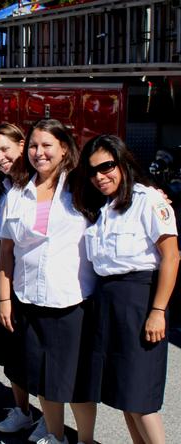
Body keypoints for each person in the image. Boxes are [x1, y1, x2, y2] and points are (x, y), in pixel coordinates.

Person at [73, 135, 179, 444]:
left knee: (142, 397)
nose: (100, 176)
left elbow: (172, 256)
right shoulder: (103, 207)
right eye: (92, 171)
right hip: (108, 302)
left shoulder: (148, 200)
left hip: (140, 299)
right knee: (125, 395)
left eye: (107, 167)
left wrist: (158, 311)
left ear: (123, 162)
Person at [0, 119, 97, 444]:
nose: (39, 152)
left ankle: (84, 439)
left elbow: (122, 190)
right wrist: (4, 298)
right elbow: (6, 251)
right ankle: (55, 434)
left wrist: (152, 192)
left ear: (64, 148)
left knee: (77, 381)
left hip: (73, 300)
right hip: (28, 299)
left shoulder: (82, 186)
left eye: (47, 145)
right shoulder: (17, 193)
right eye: (34, 146)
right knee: (42, 375)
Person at [0, 123, 46, 441]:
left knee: (39, 352)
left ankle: (47, 418)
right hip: (7, 276)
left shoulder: (44, 181)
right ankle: (22, 411)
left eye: (6, 149)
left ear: (22, 145)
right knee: (13, 351)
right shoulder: (2, 185)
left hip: (39, 277)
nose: (0, 157)